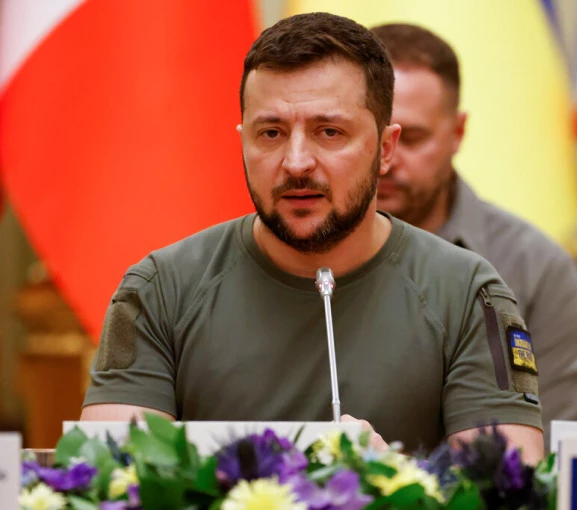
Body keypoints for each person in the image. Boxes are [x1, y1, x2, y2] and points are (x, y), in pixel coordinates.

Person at [80, 13, 544, 461]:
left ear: (385, 149)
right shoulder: (160, 289)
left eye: (329, 132)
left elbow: (509, 489)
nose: (296, 162)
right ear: (243, 141)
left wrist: (397, 481)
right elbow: (111, 483)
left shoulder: (467, 294)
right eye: (271, 133)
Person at [371, 23, 577, 451]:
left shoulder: (535, 266)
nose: (387, 160)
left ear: (457, 133)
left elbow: (560, 452)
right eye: (372, 136)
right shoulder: (301, 249)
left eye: (411, 138)